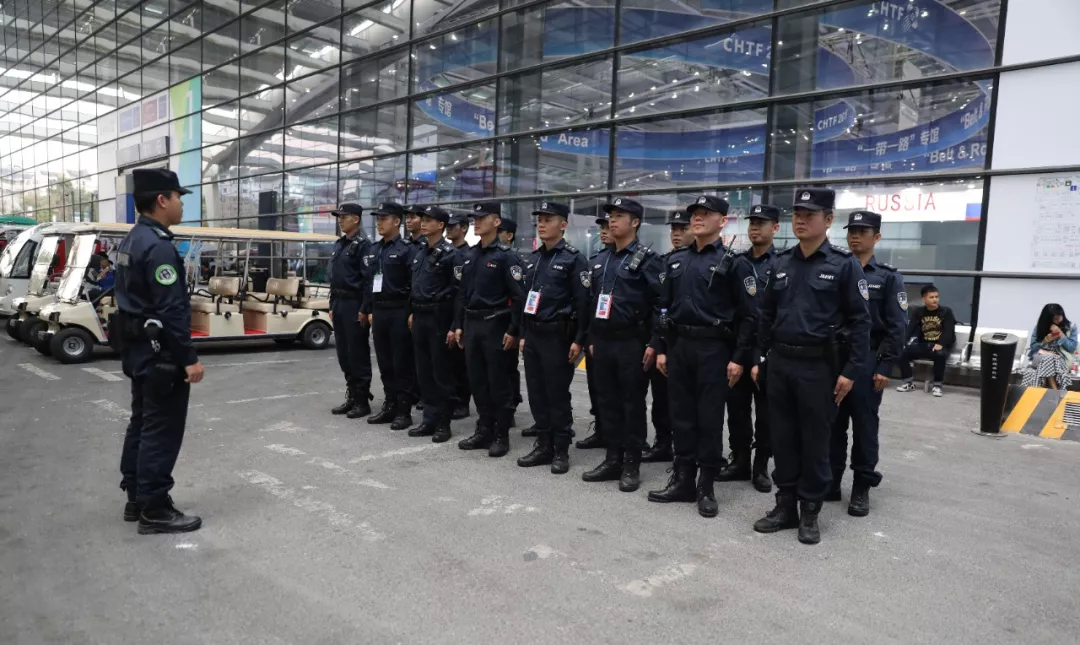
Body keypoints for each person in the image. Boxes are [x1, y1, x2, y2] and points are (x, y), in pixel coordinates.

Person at [752, 187, 871, 545]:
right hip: (780, 364)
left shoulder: (843, 265)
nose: (801, 220)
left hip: (819, 367)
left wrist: (850, 371)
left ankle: (810, 511)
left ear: (829, 219)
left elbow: (860, 322)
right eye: (797, 214)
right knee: (783, 438)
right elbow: (765, 315)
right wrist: (759, 358)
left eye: (810, 215)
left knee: (816, 441)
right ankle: (785, 505)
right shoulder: (780, 263)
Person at [647, 196, 756, 517]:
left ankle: (706, 486)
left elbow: (749, 316)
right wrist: (662, 348)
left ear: (722, 221)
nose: (697, 218)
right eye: (695, 213)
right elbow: (663, 308)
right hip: (680, 347)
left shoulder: (734, 263)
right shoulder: (676, 260)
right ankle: (682, 480)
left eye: (706, 214)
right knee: (680, 415)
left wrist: (738, 357)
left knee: (708, 418)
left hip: (714, 349)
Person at [114, 168, 205, 534]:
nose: (182, 204)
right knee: (161, 430)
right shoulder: (159, 246)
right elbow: (171, 311)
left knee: (142, 422)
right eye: (178, 197)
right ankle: (154, 508)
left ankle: (136, 497)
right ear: (162, 200)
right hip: (160, 354)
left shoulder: (133, 239)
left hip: (138, 349)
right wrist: (189, 359)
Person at [828, 210, 907, 517]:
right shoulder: (835, 270)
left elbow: (897, 325)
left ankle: (862, 485)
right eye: (852, 231)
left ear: (877, 237)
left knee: (864, 425)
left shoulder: (887, 277)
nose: (855, 237)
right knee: (832, 423)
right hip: (835, 357)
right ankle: (832, 480)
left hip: (868, 360)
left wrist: (885, 365)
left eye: (862, 232)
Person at [582, 197, 663, 491]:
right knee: (607, 402)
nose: (612, 220)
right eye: (610, 216)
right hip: (603, 342)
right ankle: (612, 458)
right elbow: (593, 302)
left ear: (635, 222)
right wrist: (592, 337)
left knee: (631, 404)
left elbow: (661, 304)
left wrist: (655, 342)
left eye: (619, 216)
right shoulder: (602, 259)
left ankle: (631, 463)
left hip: (632, 342)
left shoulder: (647, 259)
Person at [516, 201, 590, 474]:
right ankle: (543, 444)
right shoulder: (535, 259)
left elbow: (583, 304)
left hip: (558, 336)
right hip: (534, 334)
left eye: (548, 219)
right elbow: (526, 301)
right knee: (536, 392)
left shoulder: (573, 259)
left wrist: (579, 340)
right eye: (540, 219)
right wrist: (523, 333)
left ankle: (560, 449)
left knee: (556, 394)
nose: (542, 224)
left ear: (563, 224)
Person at [452, 202, 526, 458]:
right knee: (478, 381)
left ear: (496, 222)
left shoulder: (506, 256)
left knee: (499, 382)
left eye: (482, 218)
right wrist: (458, 324)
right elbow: (462, 294)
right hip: (472, 324)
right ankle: (484, 430)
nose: (477, 221)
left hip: (496, 324)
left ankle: (501, 435)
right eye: (475, 218)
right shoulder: (471, 255)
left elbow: (519, 297)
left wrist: (514, 330)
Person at [718, 203, 779, 492]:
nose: (755, 227)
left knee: (766, 413)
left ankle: (761, 466)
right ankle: (739, 460)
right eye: (752, 222)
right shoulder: (735, 262)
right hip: (737, 348)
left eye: (761, 223)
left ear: (775, 228)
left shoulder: (782, 263)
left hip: (767, 350)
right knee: (737, 408)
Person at [407, 205, 461, 443]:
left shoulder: (451, 254)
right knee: (424, 372)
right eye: (423, 219)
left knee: (441, 372)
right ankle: (429, 419)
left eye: (429, 220)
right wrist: (412, 311)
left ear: (440, 225)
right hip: (420, 316)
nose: (423, 223)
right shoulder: (420, 252)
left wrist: (454, 324)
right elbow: (416, 285)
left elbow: (458, 292)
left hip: (439, 317)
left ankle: (443, 422)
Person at [365, 202, 418, 430]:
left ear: (397, 221)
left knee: (401, 362)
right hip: (379, 310)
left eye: (383, 219)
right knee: (385, 362)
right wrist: (368, 309)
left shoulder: (407, 249)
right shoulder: (375, 249)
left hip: (399, 310)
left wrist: (412, 311)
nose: (379, 223)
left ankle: (404, 411)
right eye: (377, 219)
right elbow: (370, 282)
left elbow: (415, 283)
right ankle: (390, 405)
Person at [641, 210, 687, 464]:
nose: (676, 234)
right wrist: (656, 342)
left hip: (690, 342)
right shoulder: (662, 262)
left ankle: (687, 448)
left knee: (685, 401)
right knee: (660, 396)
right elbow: (657, 305)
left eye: (682, 229)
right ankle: (663, 442)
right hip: (664, 339)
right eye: (674, 229)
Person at [328, 203, 374, 419]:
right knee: (344, 354)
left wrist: (365, 308)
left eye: (343, 217)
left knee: (357, 353)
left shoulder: (364, 246)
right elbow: (334, 278)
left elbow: (368, 280)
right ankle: (352, 395)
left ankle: (362, 400)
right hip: (339, 302)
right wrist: (331, 304)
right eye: (339, 217)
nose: (340, 220)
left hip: (354, 304)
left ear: (356, 219)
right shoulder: (340, 244)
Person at [576, 216, 614, 451]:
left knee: (621, 394)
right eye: (602, 227)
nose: (604, 231)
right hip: (595, 334)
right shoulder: (595, 261)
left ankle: (621, 439)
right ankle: (601, 430)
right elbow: (586, 302)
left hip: (622, 336)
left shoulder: (635, 260)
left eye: (608, 227)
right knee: (596, 386)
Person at [896, 285, 956, 397]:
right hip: (924, 345)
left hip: (940, 346)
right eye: (931, 297)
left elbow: (949, 332)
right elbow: (910, 329)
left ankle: (937, 385)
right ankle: (908, 382)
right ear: (924, 299)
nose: (935, 299)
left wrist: (941, 344)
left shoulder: (946, 312)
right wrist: (902, 343)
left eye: (936, 297)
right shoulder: (918, 312)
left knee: (940, 355)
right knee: (901, 352)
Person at [497, 217, 525, 421]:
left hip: (507, 319)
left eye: (501, 231)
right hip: (492, 321)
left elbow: (518, 296)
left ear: (509, 236)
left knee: (507, 366)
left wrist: (515, 328)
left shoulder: (513, 259)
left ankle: (511, 404)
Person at [446, 211, 473, 420]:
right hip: (442, 311)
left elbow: (463, 292)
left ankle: (462, 402)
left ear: (463, 228)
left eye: (453, 225)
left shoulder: (468, 255)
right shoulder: (444, 252)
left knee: (460, 362)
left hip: (459, 312)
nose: (448, 229)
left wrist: (459, 322)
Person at [1020, 304, 1077, 390]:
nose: (1058, 321)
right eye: (1055, 319)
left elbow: (1072, 348)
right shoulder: (1039, 327)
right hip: (1040, 357)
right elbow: (1033, 348)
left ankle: (1042, 389)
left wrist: (1061, 334)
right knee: (1048, 358)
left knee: (1049, 359)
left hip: (1060, 359)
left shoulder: (1071, 327)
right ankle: (1055, 390)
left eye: (1060, 317)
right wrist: (1044, 341)